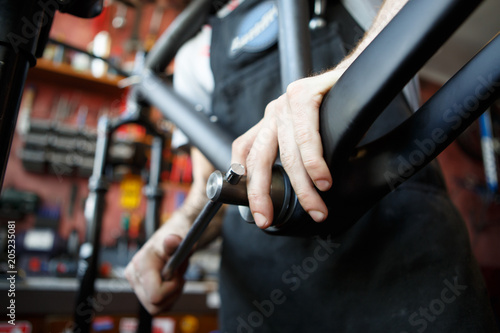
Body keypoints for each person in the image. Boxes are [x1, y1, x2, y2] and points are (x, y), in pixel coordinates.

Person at [125, 0, 499, 331]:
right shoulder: (193, 57)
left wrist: (350, 77)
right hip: (263, 293)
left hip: (398, 252)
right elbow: (210, 190)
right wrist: (171, 234)